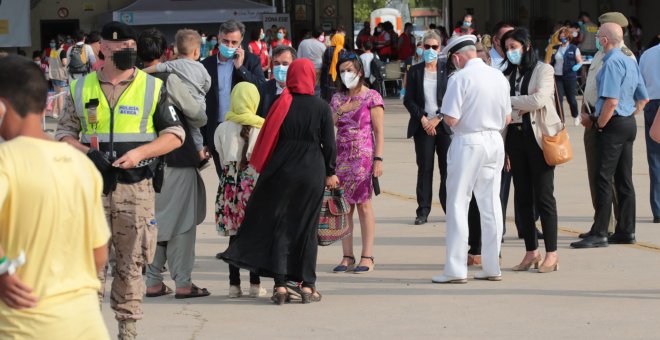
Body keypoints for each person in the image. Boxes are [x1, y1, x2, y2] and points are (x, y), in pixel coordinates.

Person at [54, 21, 185, 339]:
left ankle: (128, 329)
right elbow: (62, 134)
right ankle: (90, 328)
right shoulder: (81, 87)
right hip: (91, 189)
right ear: (104, 50)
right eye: (121, 49)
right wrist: (87, 153)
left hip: (135, 188)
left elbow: (175, 134)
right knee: (89, 265)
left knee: (131, 263)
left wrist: (141, 153)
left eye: (131, 48)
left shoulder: (152, 87)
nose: (129, 53)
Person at [0, 55, 110, 339]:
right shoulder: (81, 165)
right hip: (85, 324)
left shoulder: (5, 160)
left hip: (23, 327)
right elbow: (99, 253)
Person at [220, 59, 337, 304]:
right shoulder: (322, 107)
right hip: (311, 171)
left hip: (281, 171)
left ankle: (281, 285)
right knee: (307, 229)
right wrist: (330, 171)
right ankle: (308, 285)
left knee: (282, 226)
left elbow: (269, 137)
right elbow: (330, 145)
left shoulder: (280, 103)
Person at [136, 28, 210, 301]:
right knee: (182, 223)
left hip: (142, 161)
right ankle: (183, 282)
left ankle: (154, 280)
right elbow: (197, 115)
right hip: (175, 157)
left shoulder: (131, 81)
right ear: (165, 52)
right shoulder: (168, 79)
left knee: (158, 220)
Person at [431, 35, 511, 284]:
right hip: (495, 141)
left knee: (458, 204)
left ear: (456, 57)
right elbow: (507, 117)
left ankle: (455, 269)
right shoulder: (498, 76)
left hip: (468, 141)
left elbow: (451, 120)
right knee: (491, 204)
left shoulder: (459, 78)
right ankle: (492, 265)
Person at [571, 23, 649, 249]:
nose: (596, 39)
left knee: (602, 178)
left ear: (604, 40)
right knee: (624, 179)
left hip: (611, 124)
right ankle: (626, 230)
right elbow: (642, 99)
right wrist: (626, 115)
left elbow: (611, 101)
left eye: (598, 36)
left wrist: (600, 124)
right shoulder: (629, 59)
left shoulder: (612, 62)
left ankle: (601, 232)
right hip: (627, 124)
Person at [500, 28, 562, 273]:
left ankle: (552, 254)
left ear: (525, 45)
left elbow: (539, 101)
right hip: (515, 139)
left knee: (544, 197)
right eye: (507, 48)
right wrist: (521, 102)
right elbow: (502, 106)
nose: (510, 51)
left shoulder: (543, 70)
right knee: (522, 198)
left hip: (539, 139)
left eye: (514, 46)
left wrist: (511, 100)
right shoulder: (507, 74)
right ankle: (531, 252)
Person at [577, 12, 636, 239]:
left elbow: (619, 97)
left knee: (608, 177)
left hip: (605, 121)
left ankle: (606, 226)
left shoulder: (622, 56)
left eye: (601, 29)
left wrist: (602, 122)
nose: (597, 34)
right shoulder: (604, 54)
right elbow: (592, 84)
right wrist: (584, 108)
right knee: (598, 176)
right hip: (595, 116)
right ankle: (605, 224)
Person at [329, 51, 385, 274]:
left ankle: (367, 256)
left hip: (363, 157)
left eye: (349, 70)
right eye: (342, 71)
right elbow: (328, 125)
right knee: (343, 208)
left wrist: (378, 159)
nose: (345, 75)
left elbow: (379, 132)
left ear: (359, 72)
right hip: (341, 156)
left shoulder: (372, 97)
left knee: (363, 204)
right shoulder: (337, 99)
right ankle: (347, 255)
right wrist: (341, 110)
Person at [214, 82, 267, 298]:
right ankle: (255, 284)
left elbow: (220, 155)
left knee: (234, 236)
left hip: (229, 185)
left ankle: (233, 285)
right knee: (254, 234)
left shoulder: (222, 127)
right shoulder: (262, 127)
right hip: (252, 185)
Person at [201, 19, 266, 181]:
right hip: (216, 129)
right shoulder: (206, 65)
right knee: (225, 181)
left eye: (234, 42)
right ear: (218, 38)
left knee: (246, 182)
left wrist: (240, 68)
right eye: (225, 41)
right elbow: (200, 103)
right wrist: (203, 139)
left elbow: (261, 88)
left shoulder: (251, 61)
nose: (229, 46)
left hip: (243, 130)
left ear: (241, 41)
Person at [403, 31, 451, 226]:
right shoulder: (414, 71)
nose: (430, 50)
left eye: (434, 47)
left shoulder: (447, 70)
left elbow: (452, 99)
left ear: (440, 48)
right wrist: (423, 119)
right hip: (422, 126)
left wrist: (438, 119)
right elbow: (409, 99)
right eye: (427, 47)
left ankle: (449, 208)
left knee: (447, 169)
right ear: (421, 48)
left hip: (443, 125)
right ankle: (423, 210)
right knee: (425, 169)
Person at [143, 29, 211, 167]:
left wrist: (137, 73)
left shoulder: (172, 65)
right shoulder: (201, 67)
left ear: (176, 50)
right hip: (199, 103)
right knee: (196, 130)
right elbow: (208, 84)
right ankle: (201, 155)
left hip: (184, 106)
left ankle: (200, 156)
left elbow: (156, 68)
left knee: (192, 130)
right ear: (197, 52)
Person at [640, 41, 660, 223]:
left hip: (652, 104)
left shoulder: (648, 54)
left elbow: (640, 81)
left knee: (655, 159)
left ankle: (658, 209)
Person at [550, 26, 583, 127]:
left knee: (571, 99)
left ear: (568, 37)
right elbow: (551, 61)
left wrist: (577, 66)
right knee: (558, 99)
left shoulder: (574, 48)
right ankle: (561, 120)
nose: (562, 37)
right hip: (557, 76)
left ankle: (575, 115)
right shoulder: (555, 49)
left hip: (570, 76)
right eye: (561, 36)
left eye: (564, 36)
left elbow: (580, 61)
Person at [257, 46, 296, 118]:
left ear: (294, 65)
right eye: (276, 63)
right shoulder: (263, 88)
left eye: (285, 64)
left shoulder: (298, 91)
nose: (280, 67)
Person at [47, 35, 69, 118]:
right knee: (60, 95)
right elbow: (64, 62)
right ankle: (60, 113)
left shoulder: (53, 50)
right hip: (60, 75)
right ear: (62, 44)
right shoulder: (62, 51)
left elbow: (49, 61)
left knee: (56, 94)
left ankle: (53, 112)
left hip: (53, 74)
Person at [320, 33, 344, 102]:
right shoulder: (343, 51)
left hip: (329, 73)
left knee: (329, 91)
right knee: (339, 89)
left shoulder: (328, 50)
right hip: (339, 73)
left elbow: (324, 62)